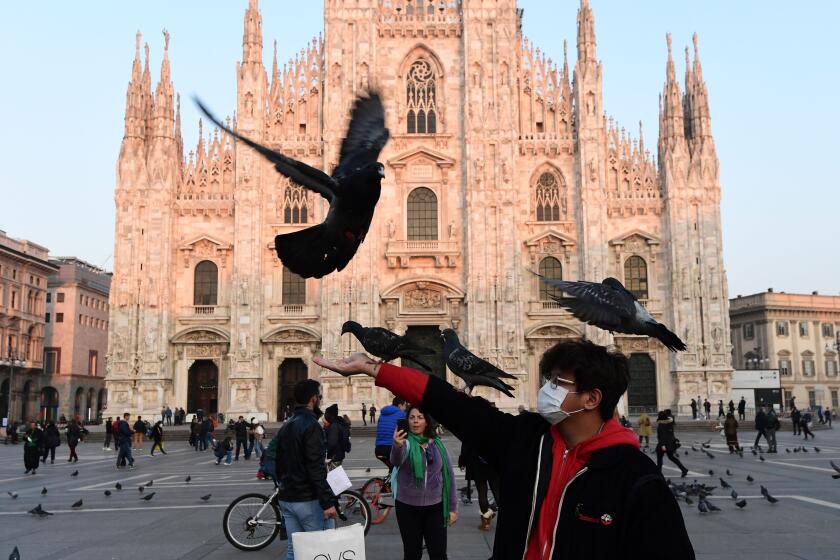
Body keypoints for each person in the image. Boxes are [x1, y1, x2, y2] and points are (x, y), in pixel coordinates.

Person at [314, 340, 695, 559]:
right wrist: (375, 370)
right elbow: (455, 405)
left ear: (592, 398)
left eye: (557, 382)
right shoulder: (527, 443)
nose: (546, 389)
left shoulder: (638, 482)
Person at [275, 379, 337, 560]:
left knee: (295, 550)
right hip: (307, 500)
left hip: (287, 497)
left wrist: (283, 486)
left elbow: (278, 460)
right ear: (313, 399)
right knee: (318, 551)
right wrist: (327, 502)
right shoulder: (311, 426)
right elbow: (315, 467)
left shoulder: (287, 424)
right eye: (319, 395)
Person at [391, 405, 458, 559]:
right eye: (412, 417)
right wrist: (396, 446)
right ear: (407, 421)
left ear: (427, 422)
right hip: (407, 507)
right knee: (412, 554)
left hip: (435, 508)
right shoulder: (404, 443)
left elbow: (449, 475)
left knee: (439, 554)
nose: (415, 421)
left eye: (420, 418)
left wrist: (453, 508)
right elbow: (395, 461)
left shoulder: (438, 445)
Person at [459, 435, 498, 532]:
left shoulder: (472, 425)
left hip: (476, 461)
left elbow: (466, 444)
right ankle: (496, 513)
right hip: (494, 461)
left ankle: (486, 523)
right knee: (497, 491)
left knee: (482, 491)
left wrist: (462, 461)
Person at [375, 397, 407, 470]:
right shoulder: (402, 414)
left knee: (393, 469)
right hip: (391, 448)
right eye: (404, 405)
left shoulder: (382, 414)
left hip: (378, 448)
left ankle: (389, 479)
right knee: (403, 468)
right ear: (399, 405)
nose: (405, 408)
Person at [655, 410, 689, 477]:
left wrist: (662, 445)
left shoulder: (661, 425)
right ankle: (683, 469)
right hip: (670, 444)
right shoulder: (669, 424)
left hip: (663, 444)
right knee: (671, 457)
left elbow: (662, 436)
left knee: (659, 458)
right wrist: (675, 440)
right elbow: (671, 434)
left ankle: (659, 473)